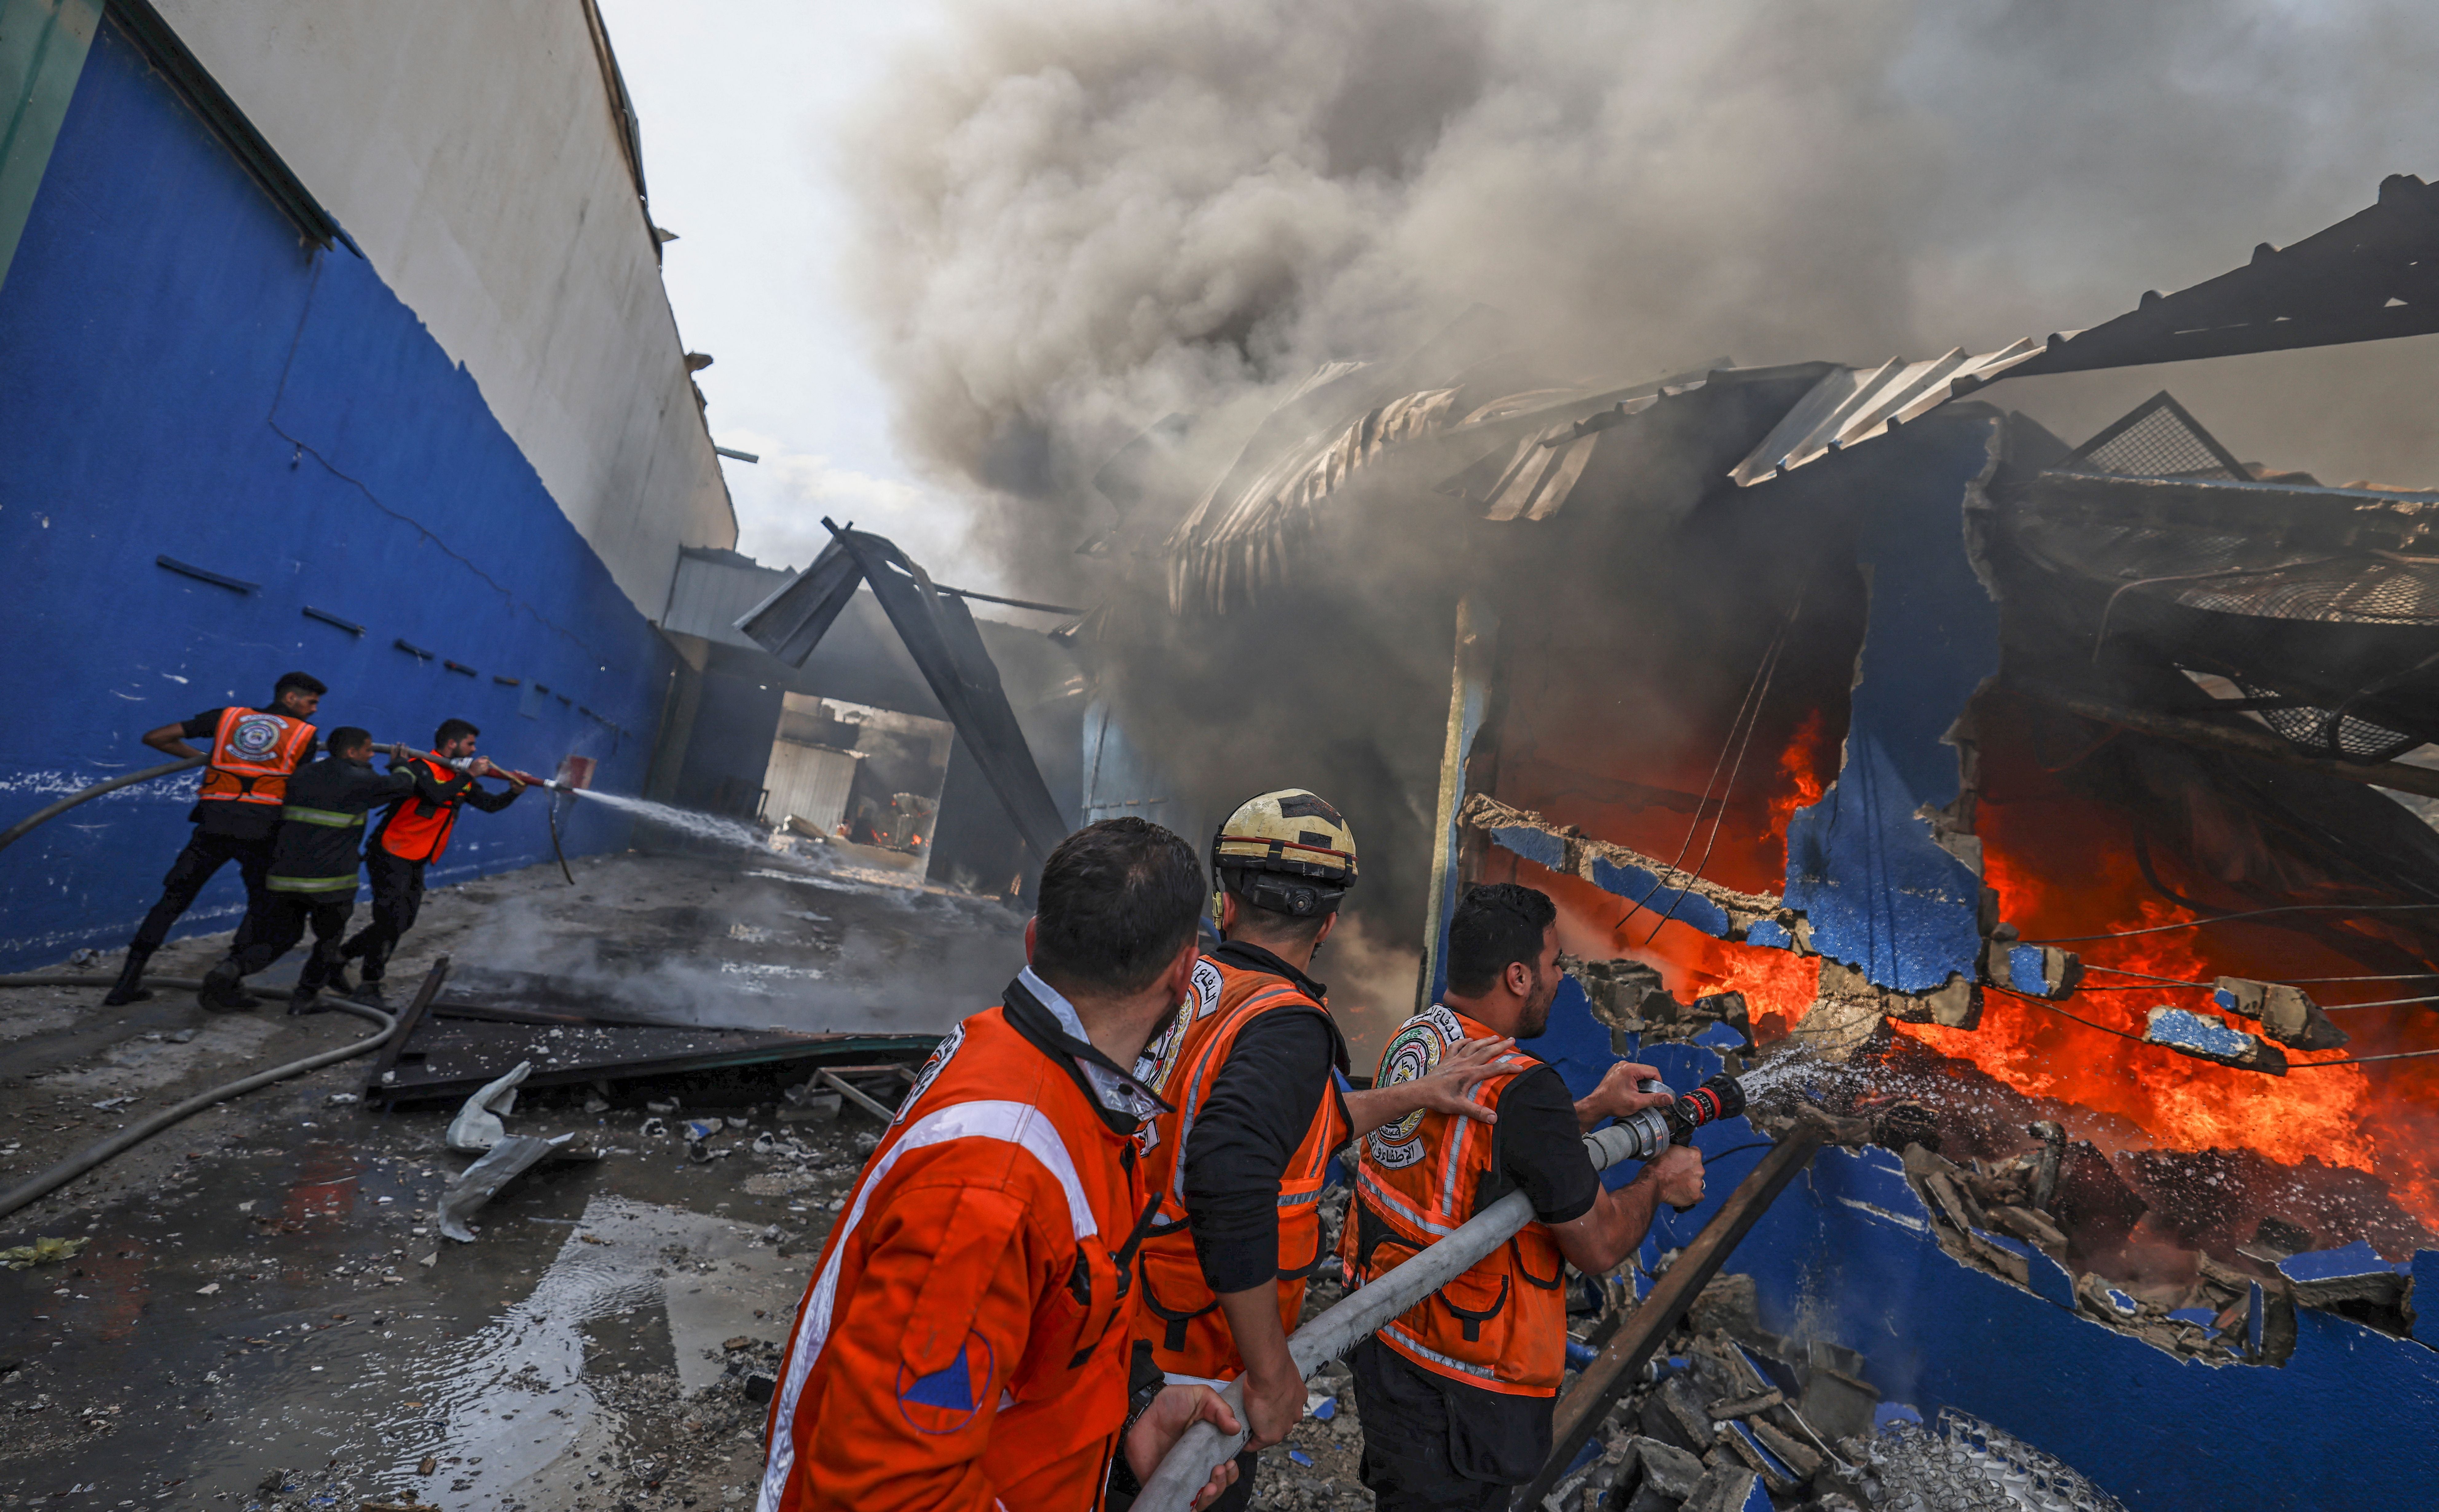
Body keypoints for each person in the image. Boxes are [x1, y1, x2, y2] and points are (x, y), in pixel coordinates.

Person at [756, 817, 1241, 1512]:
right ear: (1185, 973)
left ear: (1033, 938)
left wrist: (1134, 1412)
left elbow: (1059, 1327)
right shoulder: (995, 1182)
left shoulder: (1044, 1068)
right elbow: (886, 1493)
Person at [1126, 790, 1513, 1510]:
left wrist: (1416, 1093)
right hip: (1193, 1359)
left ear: (1225, 902)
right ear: (1328, 922)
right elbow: (1231, 1169)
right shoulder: (1284, 1024)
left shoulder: (1195, 987)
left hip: (1127, 1340)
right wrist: (1271, 1372)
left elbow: (1288, 1129)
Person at [1343, 883, 1706, 1512]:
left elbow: (1493, 1147)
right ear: (1517, 977)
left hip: (1386, 1344)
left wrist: (1591, 1107)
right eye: (1553, 963)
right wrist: (1658, 1184)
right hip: (1465, 1390)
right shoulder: (1524, 1090)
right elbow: (1596, 1246)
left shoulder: (1419, 1038)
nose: (1560, 977)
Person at [104, 671, 326, 1006]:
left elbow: (157, 737)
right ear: (291, 698)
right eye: (311, 702)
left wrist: (209, 759)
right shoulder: (305, 735)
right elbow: (298, 786)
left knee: (173, 900)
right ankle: (228, 981)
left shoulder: (229, 717)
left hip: (212, 825)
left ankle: (126, 983)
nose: (314, 711)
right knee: (261, 906)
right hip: (263, 831)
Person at [199, 729, 417, 1012]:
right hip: (331, 884)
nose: (372, 755)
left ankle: (230, 970)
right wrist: (401, 763)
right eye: (367, 751)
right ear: (351, 753)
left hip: (284, 878)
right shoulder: (362, 780)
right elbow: (403, 785)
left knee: (282, 937)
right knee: (329, 940)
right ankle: (306, 997)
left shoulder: (301, 775)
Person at [337, 718, 523, 996]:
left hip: (418, 855)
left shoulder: (461, 777)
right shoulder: (421, 767)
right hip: (392, 851)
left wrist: (513, 793)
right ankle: (370, 984)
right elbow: (435, 795)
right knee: (391, 920)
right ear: (452, 744)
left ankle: (339, 958)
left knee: (404, 921)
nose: (474, 750)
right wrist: (470, 775)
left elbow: (489, 806)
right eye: (470, 744)